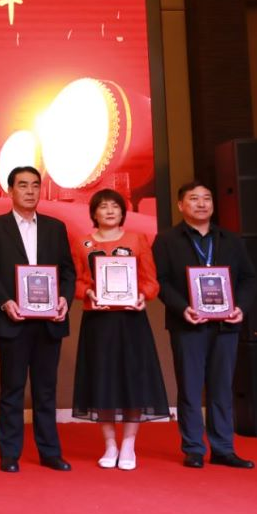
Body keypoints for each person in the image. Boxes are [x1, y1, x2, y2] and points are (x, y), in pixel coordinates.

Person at [153, 180, 257, 469]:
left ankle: (223, 448)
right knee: (189, 387)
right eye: (194, 198)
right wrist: (182, 308)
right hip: (188, 324)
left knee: (221, 387)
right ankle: (194, 448)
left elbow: (249, 278)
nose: (201, 204)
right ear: (180, 205)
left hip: (226, 325)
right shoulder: (166, 240)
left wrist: (240, 307)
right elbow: (161, 281)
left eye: (207, 198)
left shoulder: (231, 240)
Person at [0, 166, 76, 473]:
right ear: (10, 190)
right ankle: (9, 454)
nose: (30, 191)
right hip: (13, 320)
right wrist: (4, 302)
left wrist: (64, 299)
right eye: (23, 185)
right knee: (12, 389)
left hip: (49, 322)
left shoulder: (55, 227)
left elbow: (68, 271)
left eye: (35, 185)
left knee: (46, 391)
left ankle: (50, 452)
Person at [71, 189, 169, 470]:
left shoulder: (137, 239)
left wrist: (142, 296)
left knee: (132, 379)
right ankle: (110, 444)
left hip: (130, 320)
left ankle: (128, 444)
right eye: (103, 207)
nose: (110, 211)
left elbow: (151, 281)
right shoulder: (82, 243)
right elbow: (76, 281)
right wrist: (88, 293)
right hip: (98, 322)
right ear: (94, 212)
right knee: (101, 380)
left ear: (123, 212)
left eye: (115, 206)